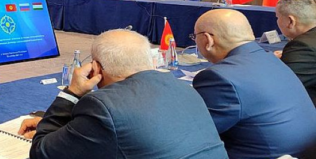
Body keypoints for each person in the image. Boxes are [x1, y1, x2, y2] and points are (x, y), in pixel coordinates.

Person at [18, 30, 226, 158]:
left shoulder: (102, 106)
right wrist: (66, 130)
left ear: (95, 68)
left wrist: (72, 92)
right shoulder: (185, 89)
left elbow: (41, 153)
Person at [192, 9, 316, 158]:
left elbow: (195, 132)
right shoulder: (270, 58)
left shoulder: (219, 77)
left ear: (207, 40)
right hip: (303, 151)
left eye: (194, 37)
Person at [275, 0, 316, 106]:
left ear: (290, 21)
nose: (277, 21)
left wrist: (273, 62)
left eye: (277, 17)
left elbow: (280, 86)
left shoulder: (302, 46)